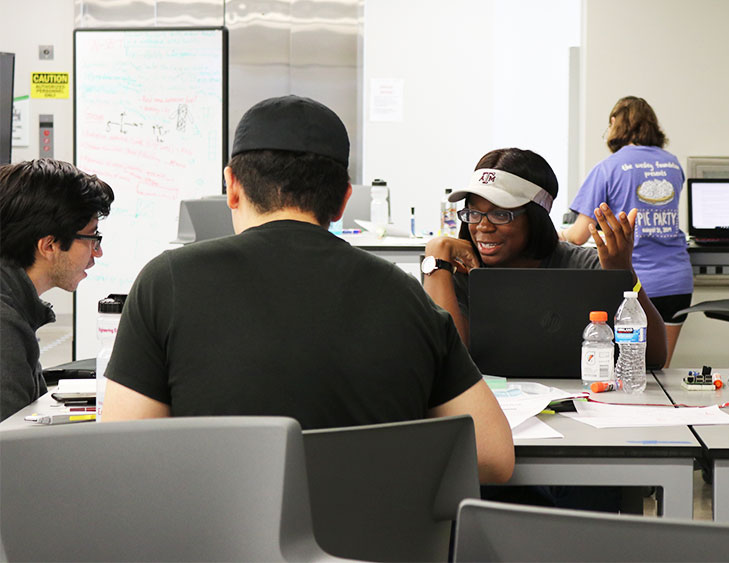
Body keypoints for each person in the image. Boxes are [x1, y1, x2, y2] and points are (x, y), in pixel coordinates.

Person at [101, 95, 514, 484]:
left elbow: (123, 458)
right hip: (370, 551)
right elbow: (494, 458)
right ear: (342, 201)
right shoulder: (403, 295)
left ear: (232, 186)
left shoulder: (166, 282)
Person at [422, 147, 667, 369]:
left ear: (535, 216)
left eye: (500, 214)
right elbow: (445, 362)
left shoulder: (586, 267)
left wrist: (623, 274)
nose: (482, 227)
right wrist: (437, 254)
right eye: (474, 213)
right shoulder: (457, 271)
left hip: (582, 405)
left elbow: (654, 358)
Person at [561, 96, 693, 367]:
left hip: (635, 285)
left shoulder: (608, 167)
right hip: (677, 281)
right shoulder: (672, 164)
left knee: (631, 368)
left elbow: (577, 236)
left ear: (614, 124)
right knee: (659, 367)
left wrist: (554, 233)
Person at [0, 159, 114, 420]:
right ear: (49, 245)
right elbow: (12, 450)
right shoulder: (4, 326)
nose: (98, 252)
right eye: (92, 237)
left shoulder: (14, 309)